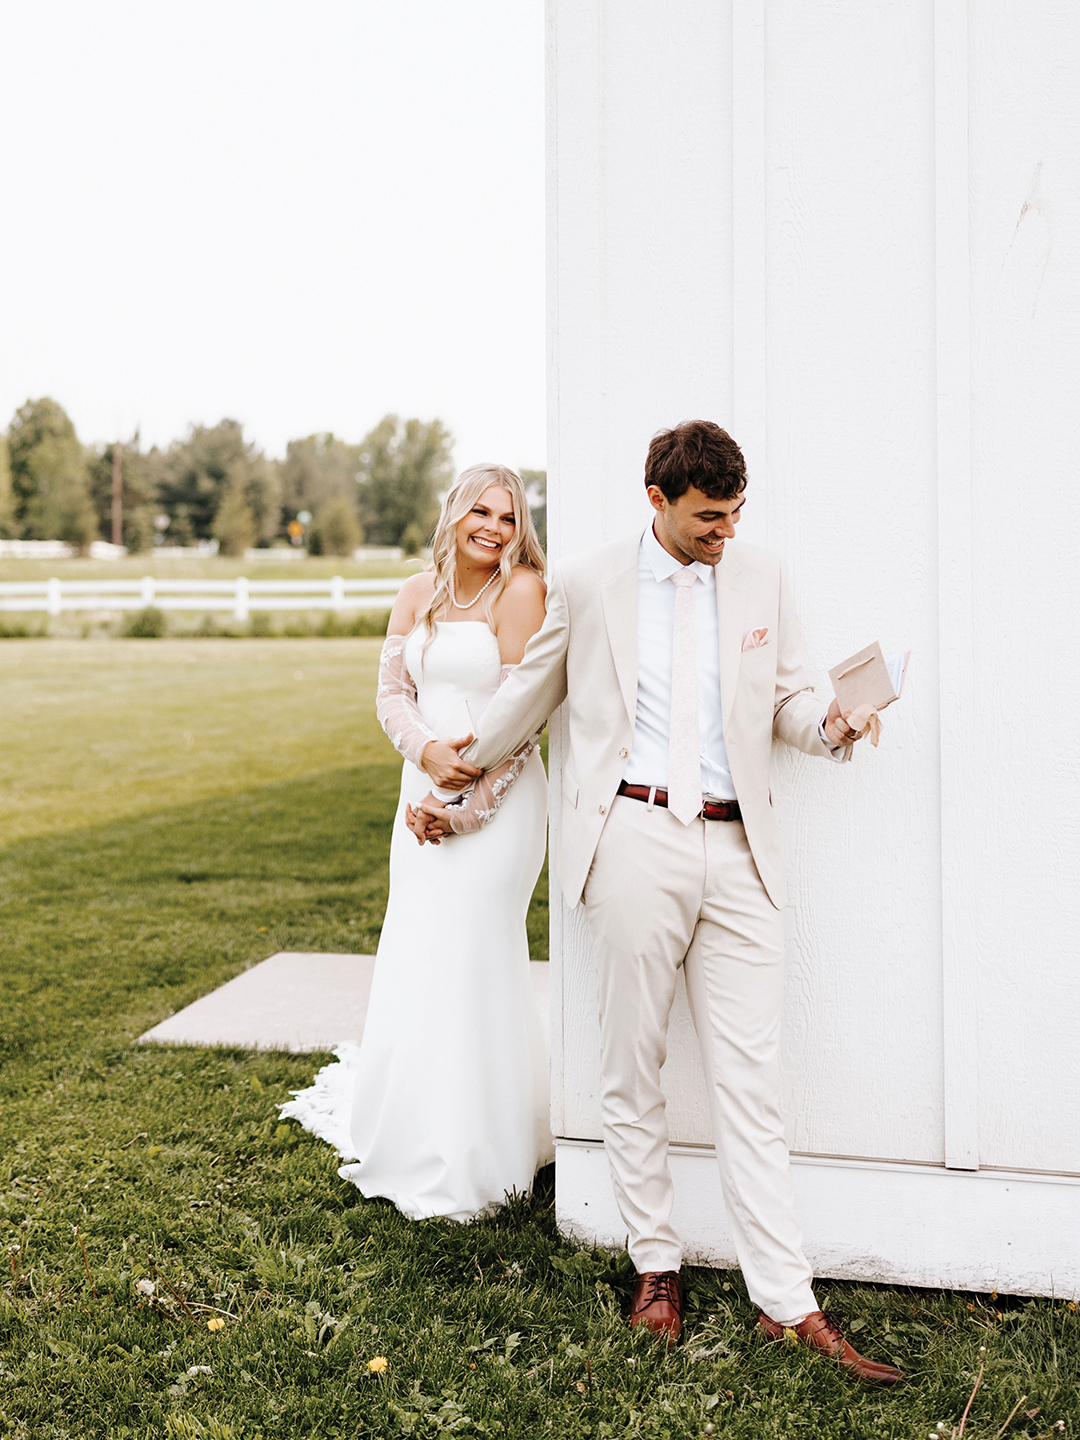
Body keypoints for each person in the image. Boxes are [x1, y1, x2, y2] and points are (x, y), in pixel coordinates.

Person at [419, 422, 902, 1383]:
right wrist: (456, 773)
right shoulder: (593, 582)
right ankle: (655, 1268)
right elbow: (525, 695)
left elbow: (791, 703)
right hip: (632, 837)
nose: (724, 534)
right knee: (630, 1064)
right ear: (658, 500)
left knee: (751, 1080)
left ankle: (786, 1299)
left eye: (733, 518)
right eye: (706, 520)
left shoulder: (762, 575)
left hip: (738, 852)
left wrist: (835, 724)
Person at [282, 463, 553, 1221]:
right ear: (454, 512)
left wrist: (463, 804)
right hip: (419, 791)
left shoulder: (521, 589)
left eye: (507, 516)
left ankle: (480, 1149)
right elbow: (391, 694)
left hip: (499, 800)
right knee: (421, 947)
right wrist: (426, 759)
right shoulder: (415, 592)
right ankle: (414, 1124)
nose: (494, 528)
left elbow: (522, 722)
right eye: (481, 511)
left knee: (474, 949)